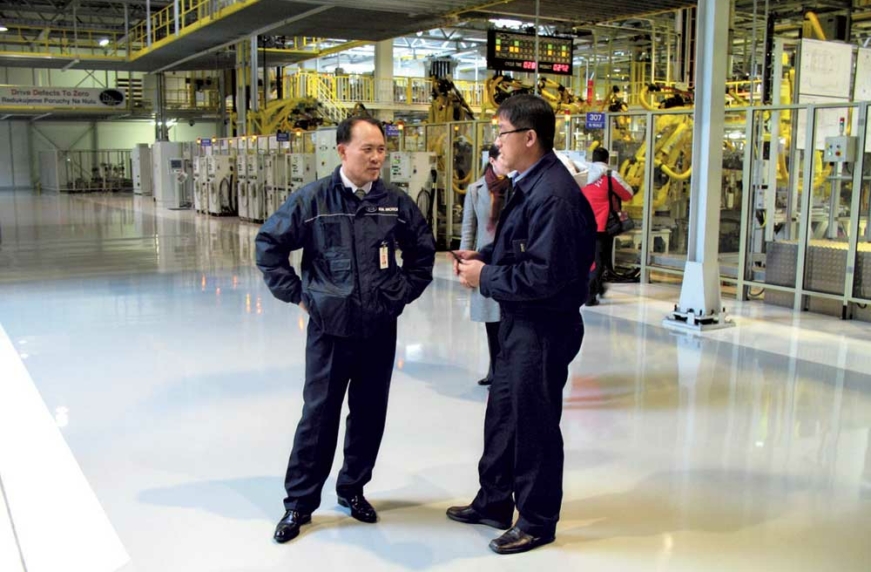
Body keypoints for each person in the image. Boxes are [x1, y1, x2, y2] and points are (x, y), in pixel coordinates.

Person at [255, 116, 436, 544]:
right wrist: (301, 297)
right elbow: (269, 245)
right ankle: (300, 503)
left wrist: (398, 295)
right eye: (367, 149)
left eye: (381, 150)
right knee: (319, 416)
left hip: (378, 329)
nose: (377, 158)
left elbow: (422, 254)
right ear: (342, 151)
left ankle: (353, 487)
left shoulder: (394, 202)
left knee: (369, 413)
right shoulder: (314, 200)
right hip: (330, 331)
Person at [449, 94, 597, 555]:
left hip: (543, 327)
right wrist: (484, 257)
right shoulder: (529, 184)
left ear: (529, 137)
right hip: (518, 323)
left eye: (502, 133)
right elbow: (519, 250)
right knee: (503, 415)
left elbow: (544, 276)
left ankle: (537, 519)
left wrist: (485, 277)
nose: (497, 143)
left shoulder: (554, 195)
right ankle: (494, 501)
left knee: (533, 423)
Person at [459, 144, 510, 386]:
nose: (507, 162)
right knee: (492, 319)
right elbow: (468, 228)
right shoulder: (475, 189)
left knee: (508, 318)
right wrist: (463, 263)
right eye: (503, 158)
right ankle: (494, 368)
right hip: (485, 261)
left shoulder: (516, 187)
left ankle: (505, 370)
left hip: (509, 262)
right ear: (492, 160)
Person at [581, 147, 634, 306]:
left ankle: (598, 287)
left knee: (588, 258)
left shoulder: (582, 175)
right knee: (599, 260)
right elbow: (628, 194)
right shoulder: (610, 176)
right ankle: (590, 295)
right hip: (601, 225)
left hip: (582, 224)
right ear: (607, 160)